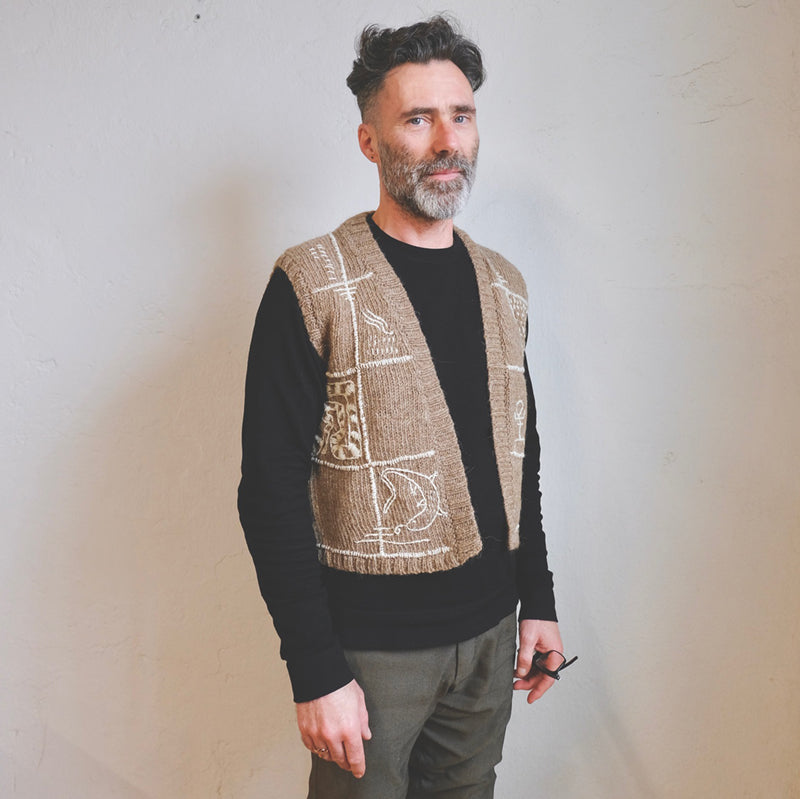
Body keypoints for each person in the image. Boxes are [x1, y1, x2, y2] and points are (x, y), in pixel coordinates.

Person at [238, 15, 571, 799]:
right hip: (371, 651)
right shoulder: (312, 282)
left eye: (462, 115)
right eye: (418, 119)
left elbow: (517, 450)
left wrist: (538, 599)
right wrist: (314, 666)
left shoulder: (503, 283)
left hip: (490, 637)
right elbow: (269, 489)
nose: (447, 140)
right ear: (370, 141)